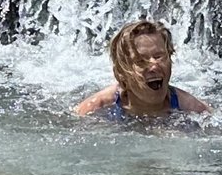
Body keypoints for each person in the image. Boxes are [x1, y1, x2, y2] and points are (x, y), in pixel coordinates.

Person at [73, 18, 211, 120]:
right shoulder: (95, 109)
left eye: (159, 56)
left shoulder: (193, 110)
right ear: (121, 73)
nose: (154, 65)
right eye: (141, 60)